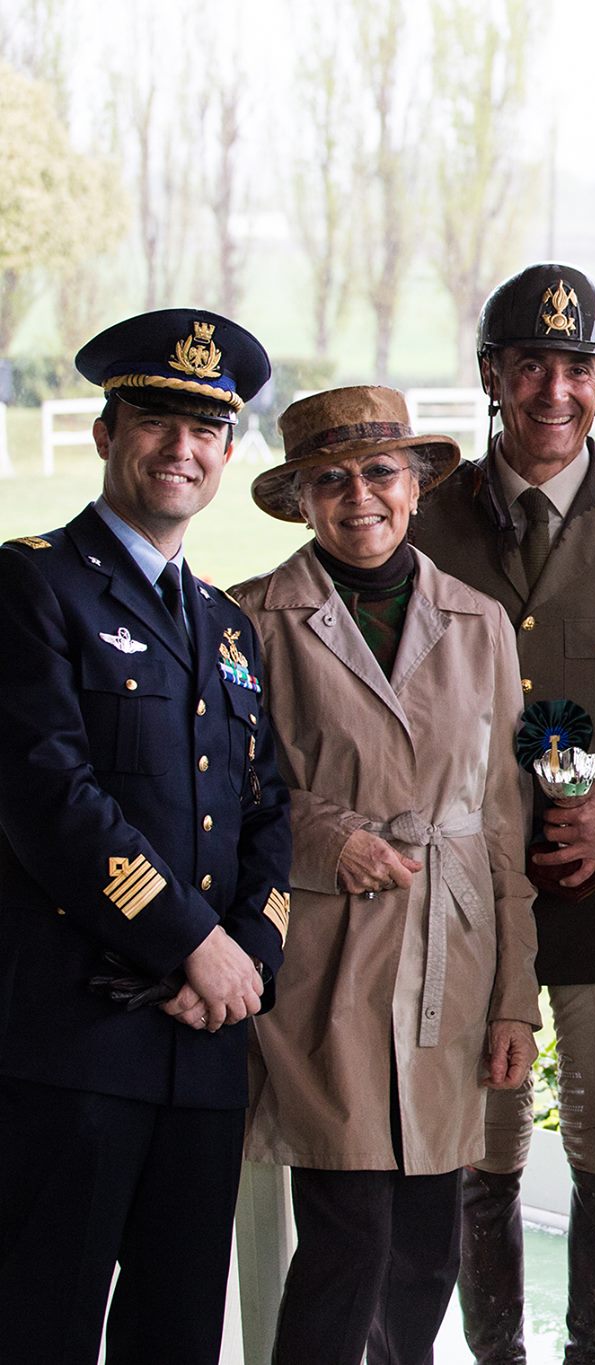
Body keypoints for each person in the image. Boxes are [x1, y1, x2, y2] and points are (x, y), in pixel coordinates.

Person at [410, 262, 595, 1365]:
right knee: (482, 1147)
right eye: (530, 363)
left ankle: (594, 1354)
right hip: (461, 894)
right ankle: (496, 1355)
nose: (554, 388)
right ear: (492, 374)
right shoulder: (425, 518)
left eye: (579, 367)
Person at [0, 309, 292, 1364]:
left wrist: (247, 957)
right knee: (43, 1325)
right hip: (75, 1044)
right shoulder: (32, 585)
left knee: (177, 1337)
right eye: (159, 421)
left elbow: (266, 810)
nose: (184, 449)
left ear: (226, 451)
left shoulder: (225, 624)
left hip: (205, 1047)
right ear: (108, 433)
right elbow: (49, 796)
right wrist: (190, 943)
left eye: (208, 429)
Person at [233, 386, 542, 1364]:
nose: (358, 496)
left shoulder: (481, 622)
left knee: (424, 1250)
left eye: (378, 472)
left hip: (454, 955)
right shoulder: (251, 620)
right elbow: (232, 801)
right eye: (330, 480)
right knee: (348, 1236)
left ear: (413, 485)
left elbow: (502, 813)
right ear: (300, 500)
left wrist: (514, 1002)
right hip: (327, 967)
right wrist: (328, 842)